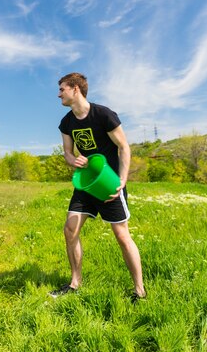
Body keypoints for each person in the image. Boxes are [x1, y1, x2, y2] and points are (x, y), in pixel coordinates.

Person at [50, 72, 147, 302]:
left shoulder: (104, 114)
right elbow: (67, 152)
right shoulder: (67, 122)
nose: (59, 94)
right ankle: (75, 283)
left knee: (122, 235)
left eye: (62, 89)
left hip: (108, 182)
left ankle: (139, 291)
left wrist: (122, 180)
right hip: (85, 183)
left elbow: (124, 147)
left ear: (75, 89)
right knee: (70, 230)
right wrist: (73, 160)